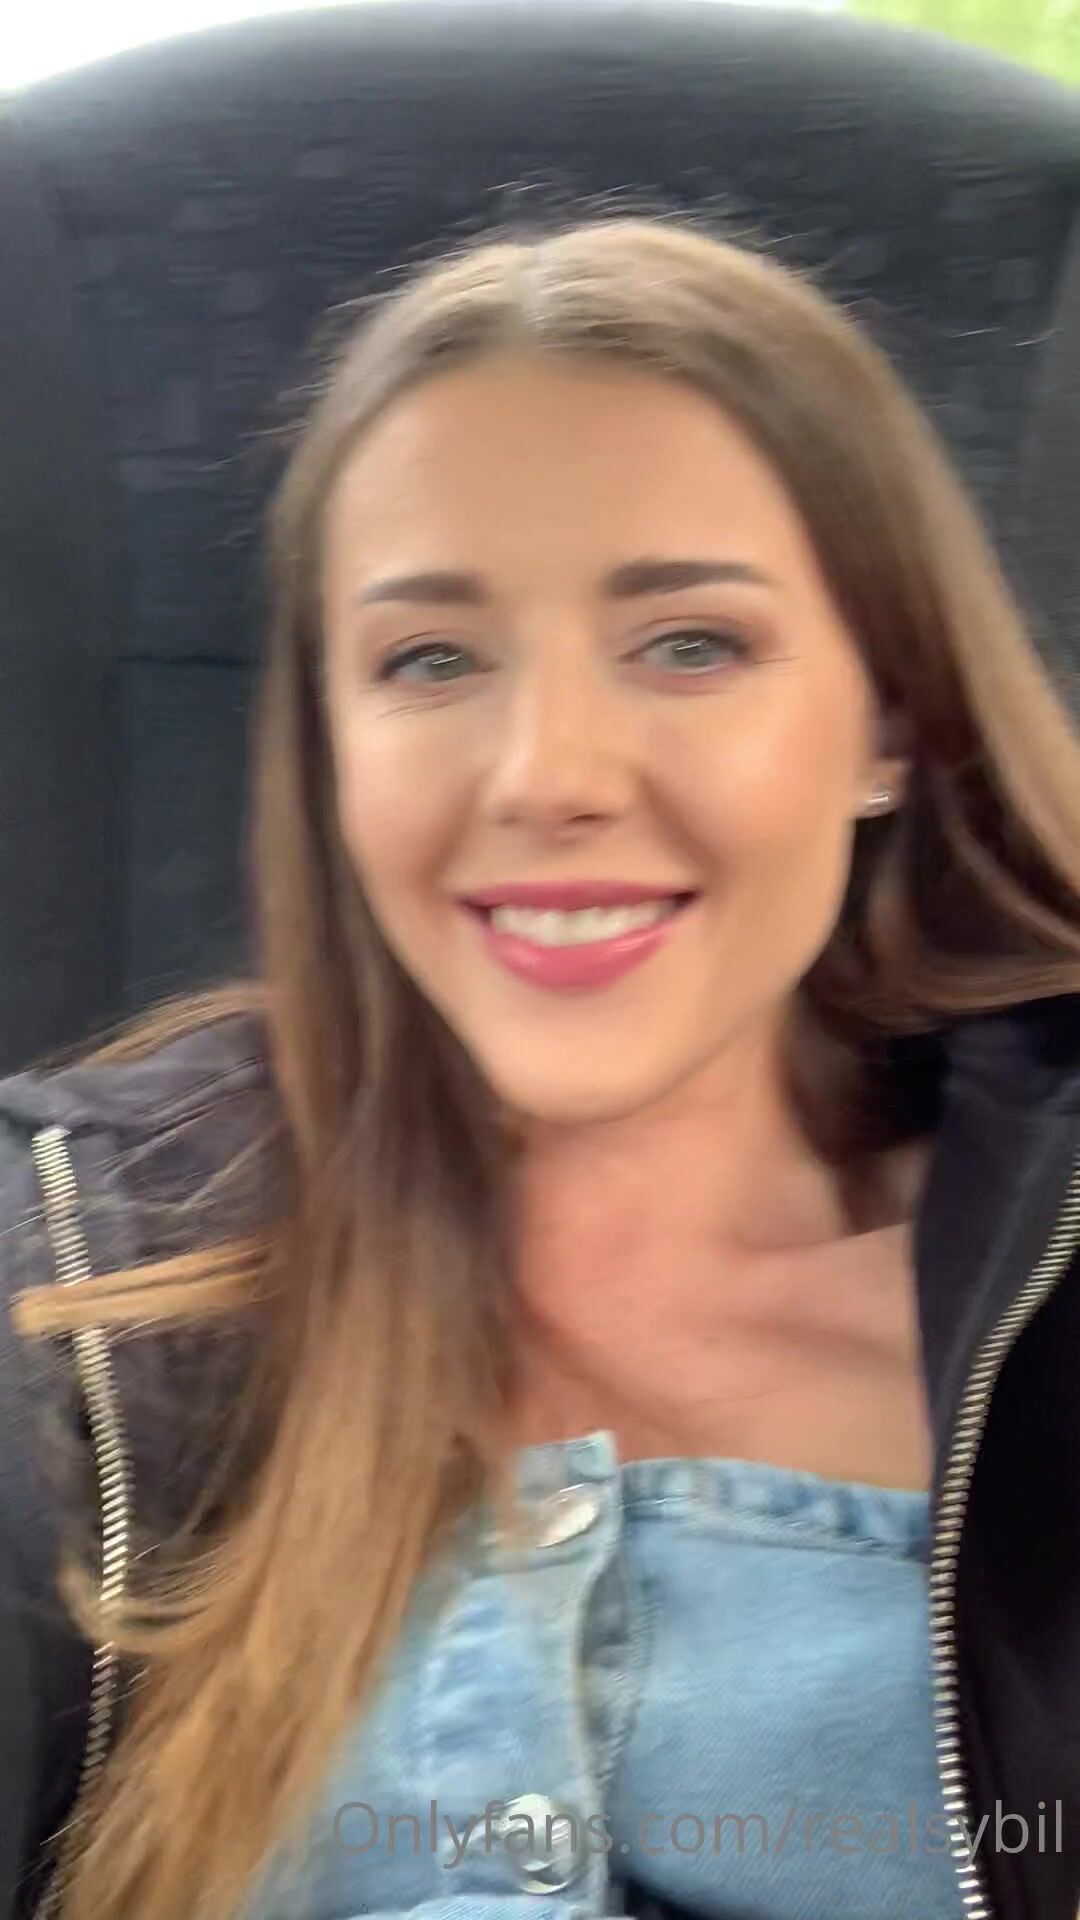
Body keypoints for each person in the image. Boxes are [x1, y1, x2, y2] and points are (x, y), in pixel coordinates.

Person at [0, 212, 1078, 1920]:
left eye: (691, 643)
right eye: (430, 660)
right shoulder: (77, 1277)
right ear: (332, 752)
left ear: (889, 720)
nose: (547, 775)